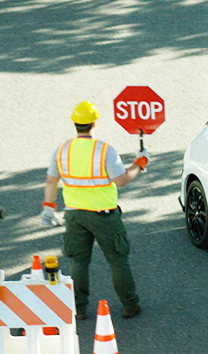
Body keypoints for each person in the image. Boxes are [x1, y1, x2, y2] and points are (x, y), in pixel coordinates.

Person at [41, 101, 150, 320]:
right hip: (104, 216)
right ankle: (129, 305)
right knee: (117, 260)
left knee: (79, 262)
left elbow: (51, 181)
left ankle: (79, 309)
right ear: (94, 124)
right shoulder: (104, 150)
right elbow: (121, 180)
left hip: (74, 216)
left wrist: (48, 207)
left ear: (75, 123)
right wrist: (140, 163)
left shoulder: (62, 150)